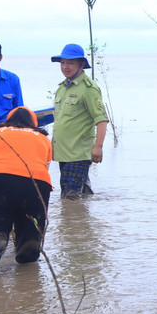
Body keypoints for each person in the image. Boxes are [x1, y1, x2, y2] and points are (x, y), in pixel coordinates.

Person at [0, 107, 53, 280]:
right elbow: (44, 169)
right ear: (33, 124)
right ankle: (28, 275)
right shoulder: (43, 139)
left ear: (8, 120)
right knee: (30, 239)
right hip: (37, 184)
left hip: (0, 182)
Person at [51, 43, 108, 199]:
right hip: (64, 153)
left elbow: (101, 120)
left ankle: (74, 223)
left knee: (69, 198)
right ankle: (82, 223)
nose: (65, 66)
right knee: (79, 197)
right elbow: (61, 120)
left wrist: (98, 147)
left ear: (81, 64)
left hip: (78, 154)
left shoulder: (89, 88)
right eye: (62, 62)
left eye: (70, 62)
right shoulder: (62, 88)